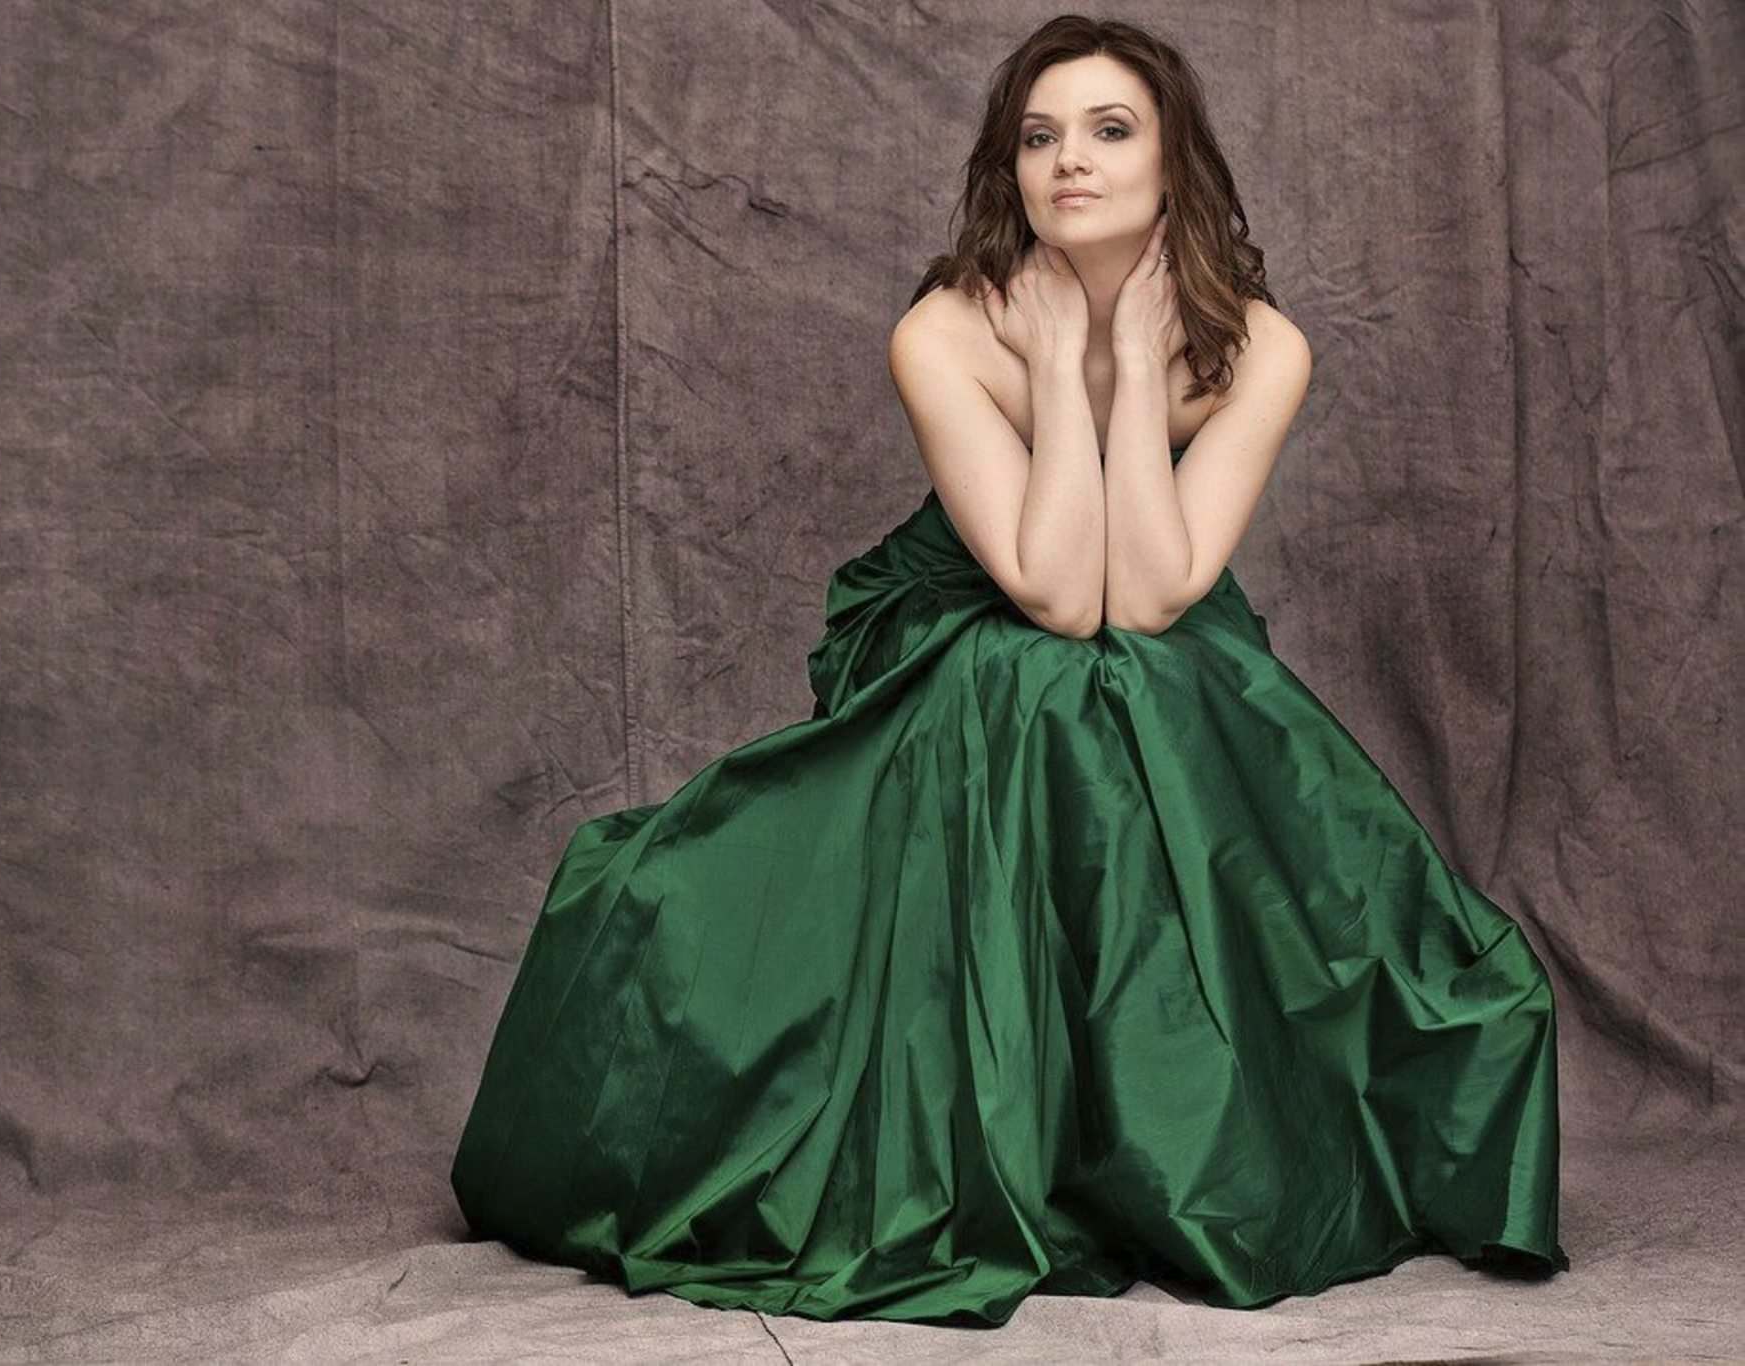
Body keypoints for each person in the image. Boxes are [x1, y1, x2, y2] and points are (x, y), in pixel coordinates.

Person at [449, 15, 1570, 1328]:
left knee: (1122, 688)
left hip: (1159, 646)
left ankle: (1157, 1130)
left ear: (1175, 163)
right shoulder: (944, 330)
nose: (1068, 161)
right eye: (1039, 137)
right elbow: (1052, 589)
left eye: (1109, 131)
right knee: (1049, 687)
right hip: (960, 641)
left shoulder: (1263, 346)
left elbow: (1148, 596)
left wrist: (1136, 355)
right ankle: (1024, 1133)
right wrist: (1049, 354)